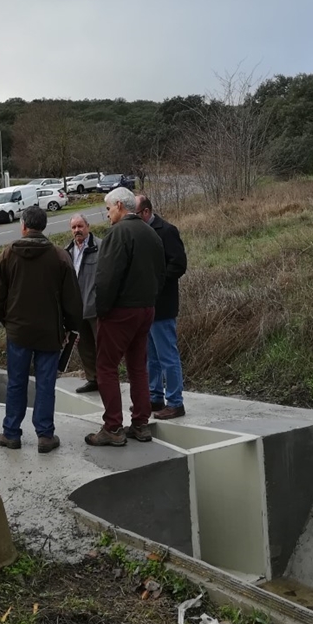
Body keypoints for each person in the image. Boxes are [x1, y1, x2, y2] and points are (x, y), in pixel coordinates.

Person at [0, 206, 83, 453]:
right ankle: (45, 435)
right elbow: (72, 299)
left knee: (16, 383)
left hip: (18, 331)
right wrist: (72, 327)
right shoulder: (60, 256)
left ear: (23, 225)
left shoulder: (8, 254)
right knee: (45, 384)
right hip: (49, 332)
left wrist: (2, 319)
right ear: (44, 227)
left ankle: (11, 433)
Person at [85, 187, 164, 447]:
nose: (107, 215)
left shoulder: (118, 233)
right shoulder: (151, 232)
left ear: (119, 205)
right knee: (138, 366)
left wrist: (102, 311)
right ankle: (141, 424)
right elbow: (160, 273)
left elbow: (106, 278)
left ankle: (113, 427)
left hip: (120, 311)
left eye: (108, 209)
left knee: (106, 367)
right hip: (146, 308)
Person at [137, 194, 189, 419]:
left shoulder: (166, 231)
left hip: (163, 305)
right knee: (152, 356)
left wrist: (155, 282)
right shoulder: (140, 232)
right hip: (146, 305)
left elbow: (178, 264)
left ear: (146, 212)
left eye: (136, 214)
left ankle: (175, 402)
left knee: (168, 355)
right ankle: (155, 397)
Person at [64, 214, 100, 394]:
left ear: (88, 226)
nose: (77, 230)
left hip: (96, 308)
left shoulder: (100, 247)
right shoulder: (67, 251)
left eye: (80, 226)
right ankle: (92, 379)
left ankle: (107, 380)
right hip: (77, 310)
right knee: (84, 347)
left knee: (102, 346)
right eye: (74, 227)